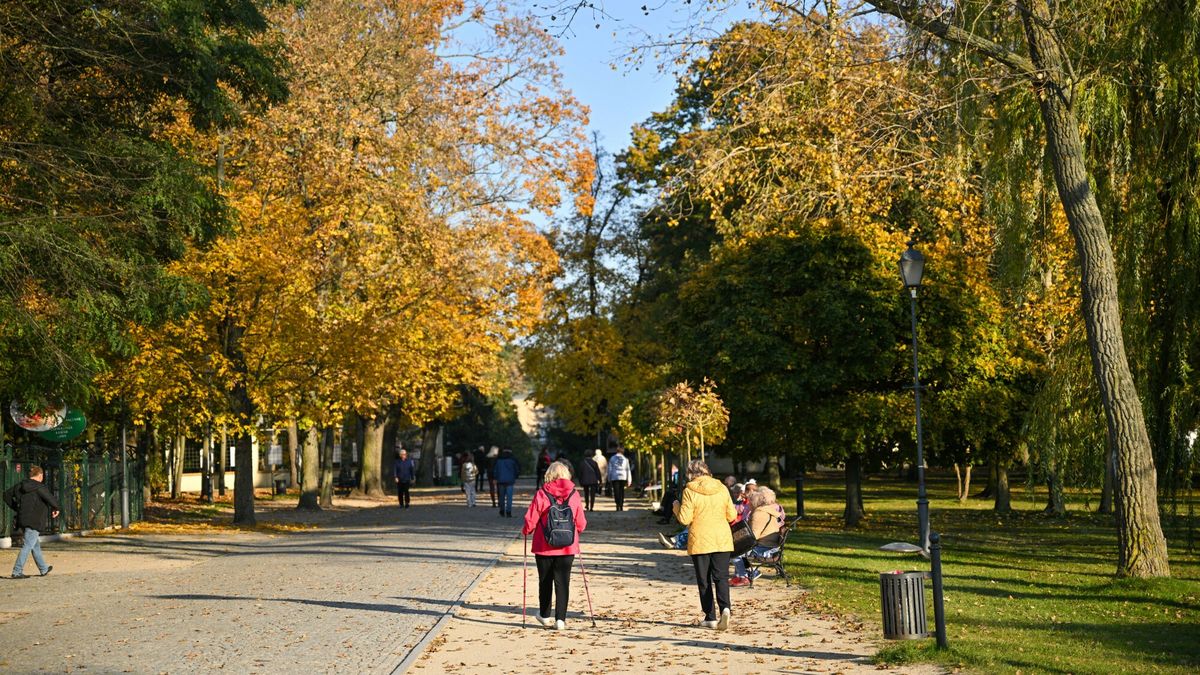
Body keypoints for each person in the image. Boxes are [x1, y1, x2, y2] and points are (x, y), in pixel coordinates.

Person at [521, 460, 587, 630]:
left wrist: (527, 530)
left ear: (549, 475)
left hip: (544, 546)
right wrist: (577, 531)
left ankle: (544, 615)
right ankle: (560, 620)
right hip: (567, 546)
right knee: (563, 582)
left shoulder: (542, 493)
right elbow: (581, 523)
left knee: (545, 581)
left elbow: (531, 518)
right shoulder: (574, 494)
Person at [673, 459, 736, 630]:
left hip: (700, 539)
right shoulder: (722, 488)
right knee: (721, 577)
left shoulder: (689, 490)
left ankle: (710, 617)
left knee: (704, 580)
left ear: (690, 473)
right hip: (721, 538)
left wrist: (676, 507)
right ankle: (725, 608)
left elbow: (685, 519)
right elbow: (732, 515)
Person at [6, 465, 60, 579]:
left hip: (22, 519)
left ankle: (43, 568)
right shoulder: (39, 487)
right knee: (28, 545)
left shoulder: (20, 486)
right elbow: (51, 498)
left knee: (34, 544)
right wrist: (57, 508)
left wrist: (16, 507)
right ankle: (17, 571)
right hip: (35, 520)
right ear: (40, 475)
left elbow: (6, 495)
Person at [658, 483, 747, 551]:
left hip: (732, 526)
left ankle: (675, 541)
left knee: (696, 526)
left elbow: (733, 515)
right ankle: (674, 540)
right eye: (734, 492)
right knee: (694, 524)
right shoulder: (733, 501)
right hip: (725, 523)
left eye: (738, 492)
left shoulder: (742, 503)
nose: (735, 494)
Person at [730, 487, 786, 586]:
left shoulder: (759, 513)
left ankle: (746, 576)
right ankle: (742, 575)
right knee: (739, 550)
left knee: (735, 553)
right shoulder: (768, 510)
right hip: (771, 546)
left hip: (764, 549)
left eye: (750, 502)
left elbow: (753, 536)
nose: (748, 504)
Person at [492, 447, 520, 517]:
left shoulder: (498, 460)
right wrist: (515, 476)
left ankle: (502, 511)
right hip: (510, 481)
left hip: (500, 480)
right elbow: (516, 470)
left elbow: (495, 470)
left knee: (501, 497)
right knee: (509, 497)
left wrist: (495, 478)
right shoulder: (513, 460)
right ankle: (508, 512)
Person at [606, 447, 632, 511]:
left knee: (616, 491)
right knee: (622, 491)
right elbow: (628, 469)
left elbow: (610, 469)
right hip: (623, 476)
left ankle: (617, 504)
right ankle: (621, 505)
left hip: (615, 476)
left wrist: (609, 478)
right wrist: (629, 480)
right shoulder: (625, 459)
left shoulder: (612, 458)